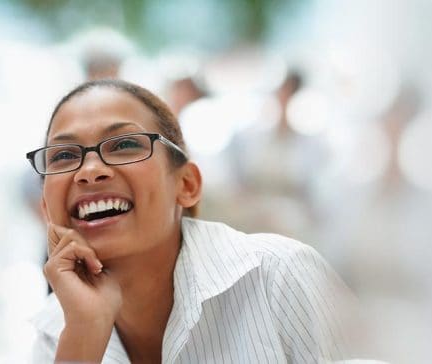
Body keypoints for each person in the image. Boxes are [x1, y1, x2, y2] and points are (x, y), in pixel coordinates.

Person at [21, 79, 361, 364]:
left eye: (124, 144)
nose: (90, 171)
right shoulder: (58, 330)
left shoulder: (280, 277)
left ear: (187, 185)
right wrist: (84, 334)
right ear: (47, 208)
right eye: (64, 155)